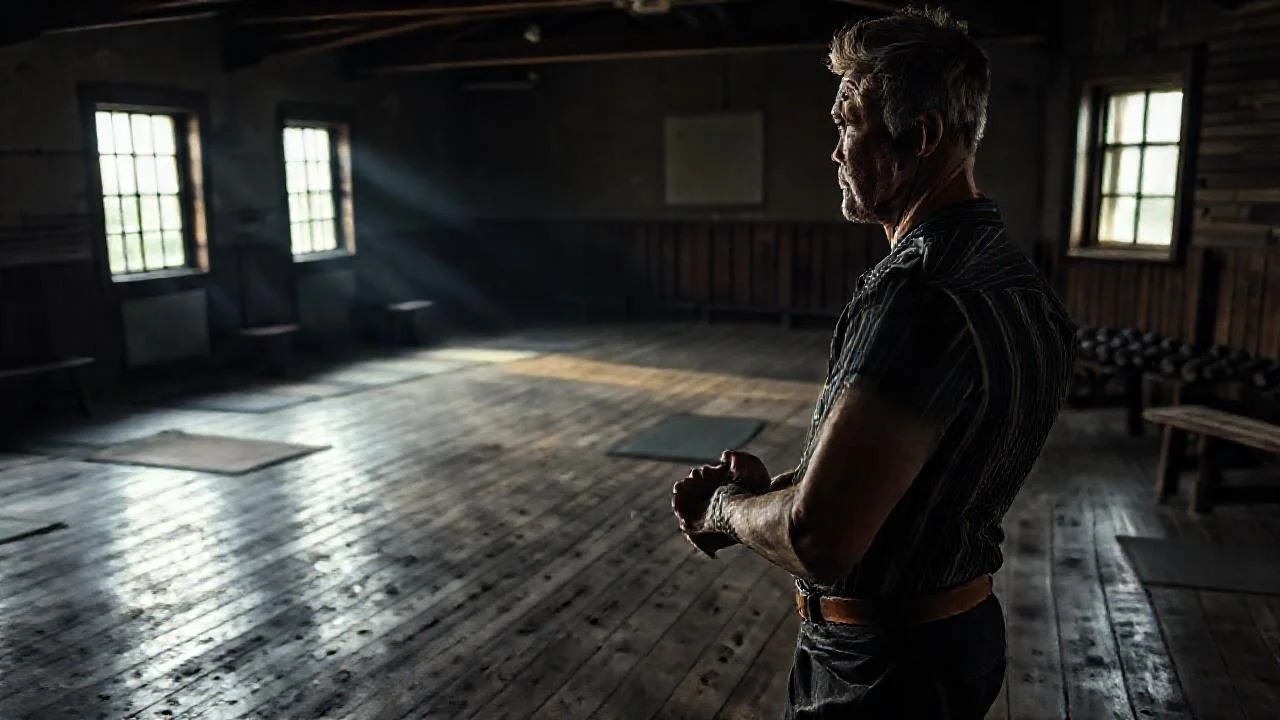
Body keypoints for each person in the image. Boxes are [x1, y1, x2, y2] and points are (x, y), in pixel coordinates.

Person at [670, 6, 1078, 718]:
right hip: (962, 638)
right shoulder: (1015, 279)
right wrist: (789, 488)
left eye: (848, 124)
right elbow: (917, 472)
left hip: (883, 671)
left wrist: (725, 509)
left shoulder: (919, 293)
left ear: (919, 137)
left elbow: (818, 537)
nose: (834, 151)